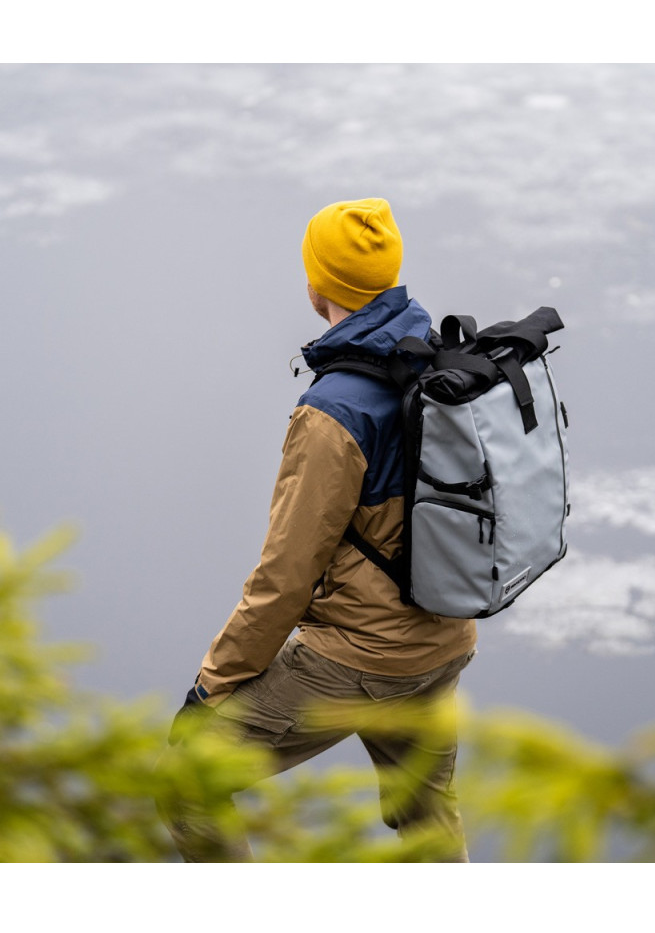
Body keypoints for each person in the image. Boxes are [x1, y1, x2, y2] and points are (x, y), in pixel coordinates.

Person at [157, 198, 477, 862]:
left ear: (318, 284)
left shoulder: (333, 413)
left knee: (189, 780)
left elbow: (285, 578)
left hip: (358, 660)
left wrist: (211, 689)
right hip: (445, 641)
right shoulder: (440, 365)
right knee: (426, 817)